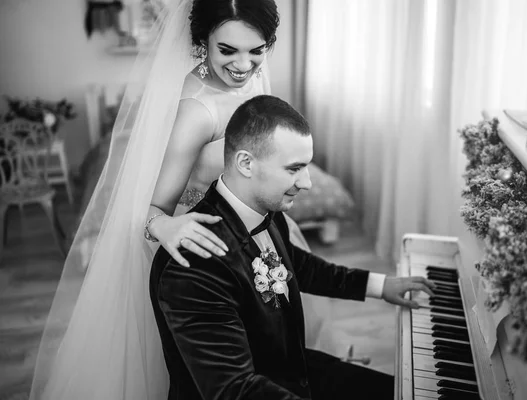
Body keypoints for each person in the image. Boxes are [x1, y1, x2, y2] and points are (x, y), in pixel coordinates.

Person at [29, 1, 330, 399]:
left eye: (256, 51)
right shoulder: (196, 109)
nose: (244, 65)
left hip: (255, 231)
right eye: (228, 50)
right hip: (206, 253)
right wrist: (164, 223)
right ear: (202, 41)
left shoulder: (252, 84)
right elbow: (155, 208)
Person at [150, 95, 436, 400]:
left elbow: (298, 265)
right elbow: (234, 390)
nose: (307, 183)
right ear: (245, 163)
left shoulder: (265, 211)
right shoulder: (195, 262)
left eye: (307, 167)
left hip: (292, 370)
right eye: (293, 169)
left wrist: (381, 285)